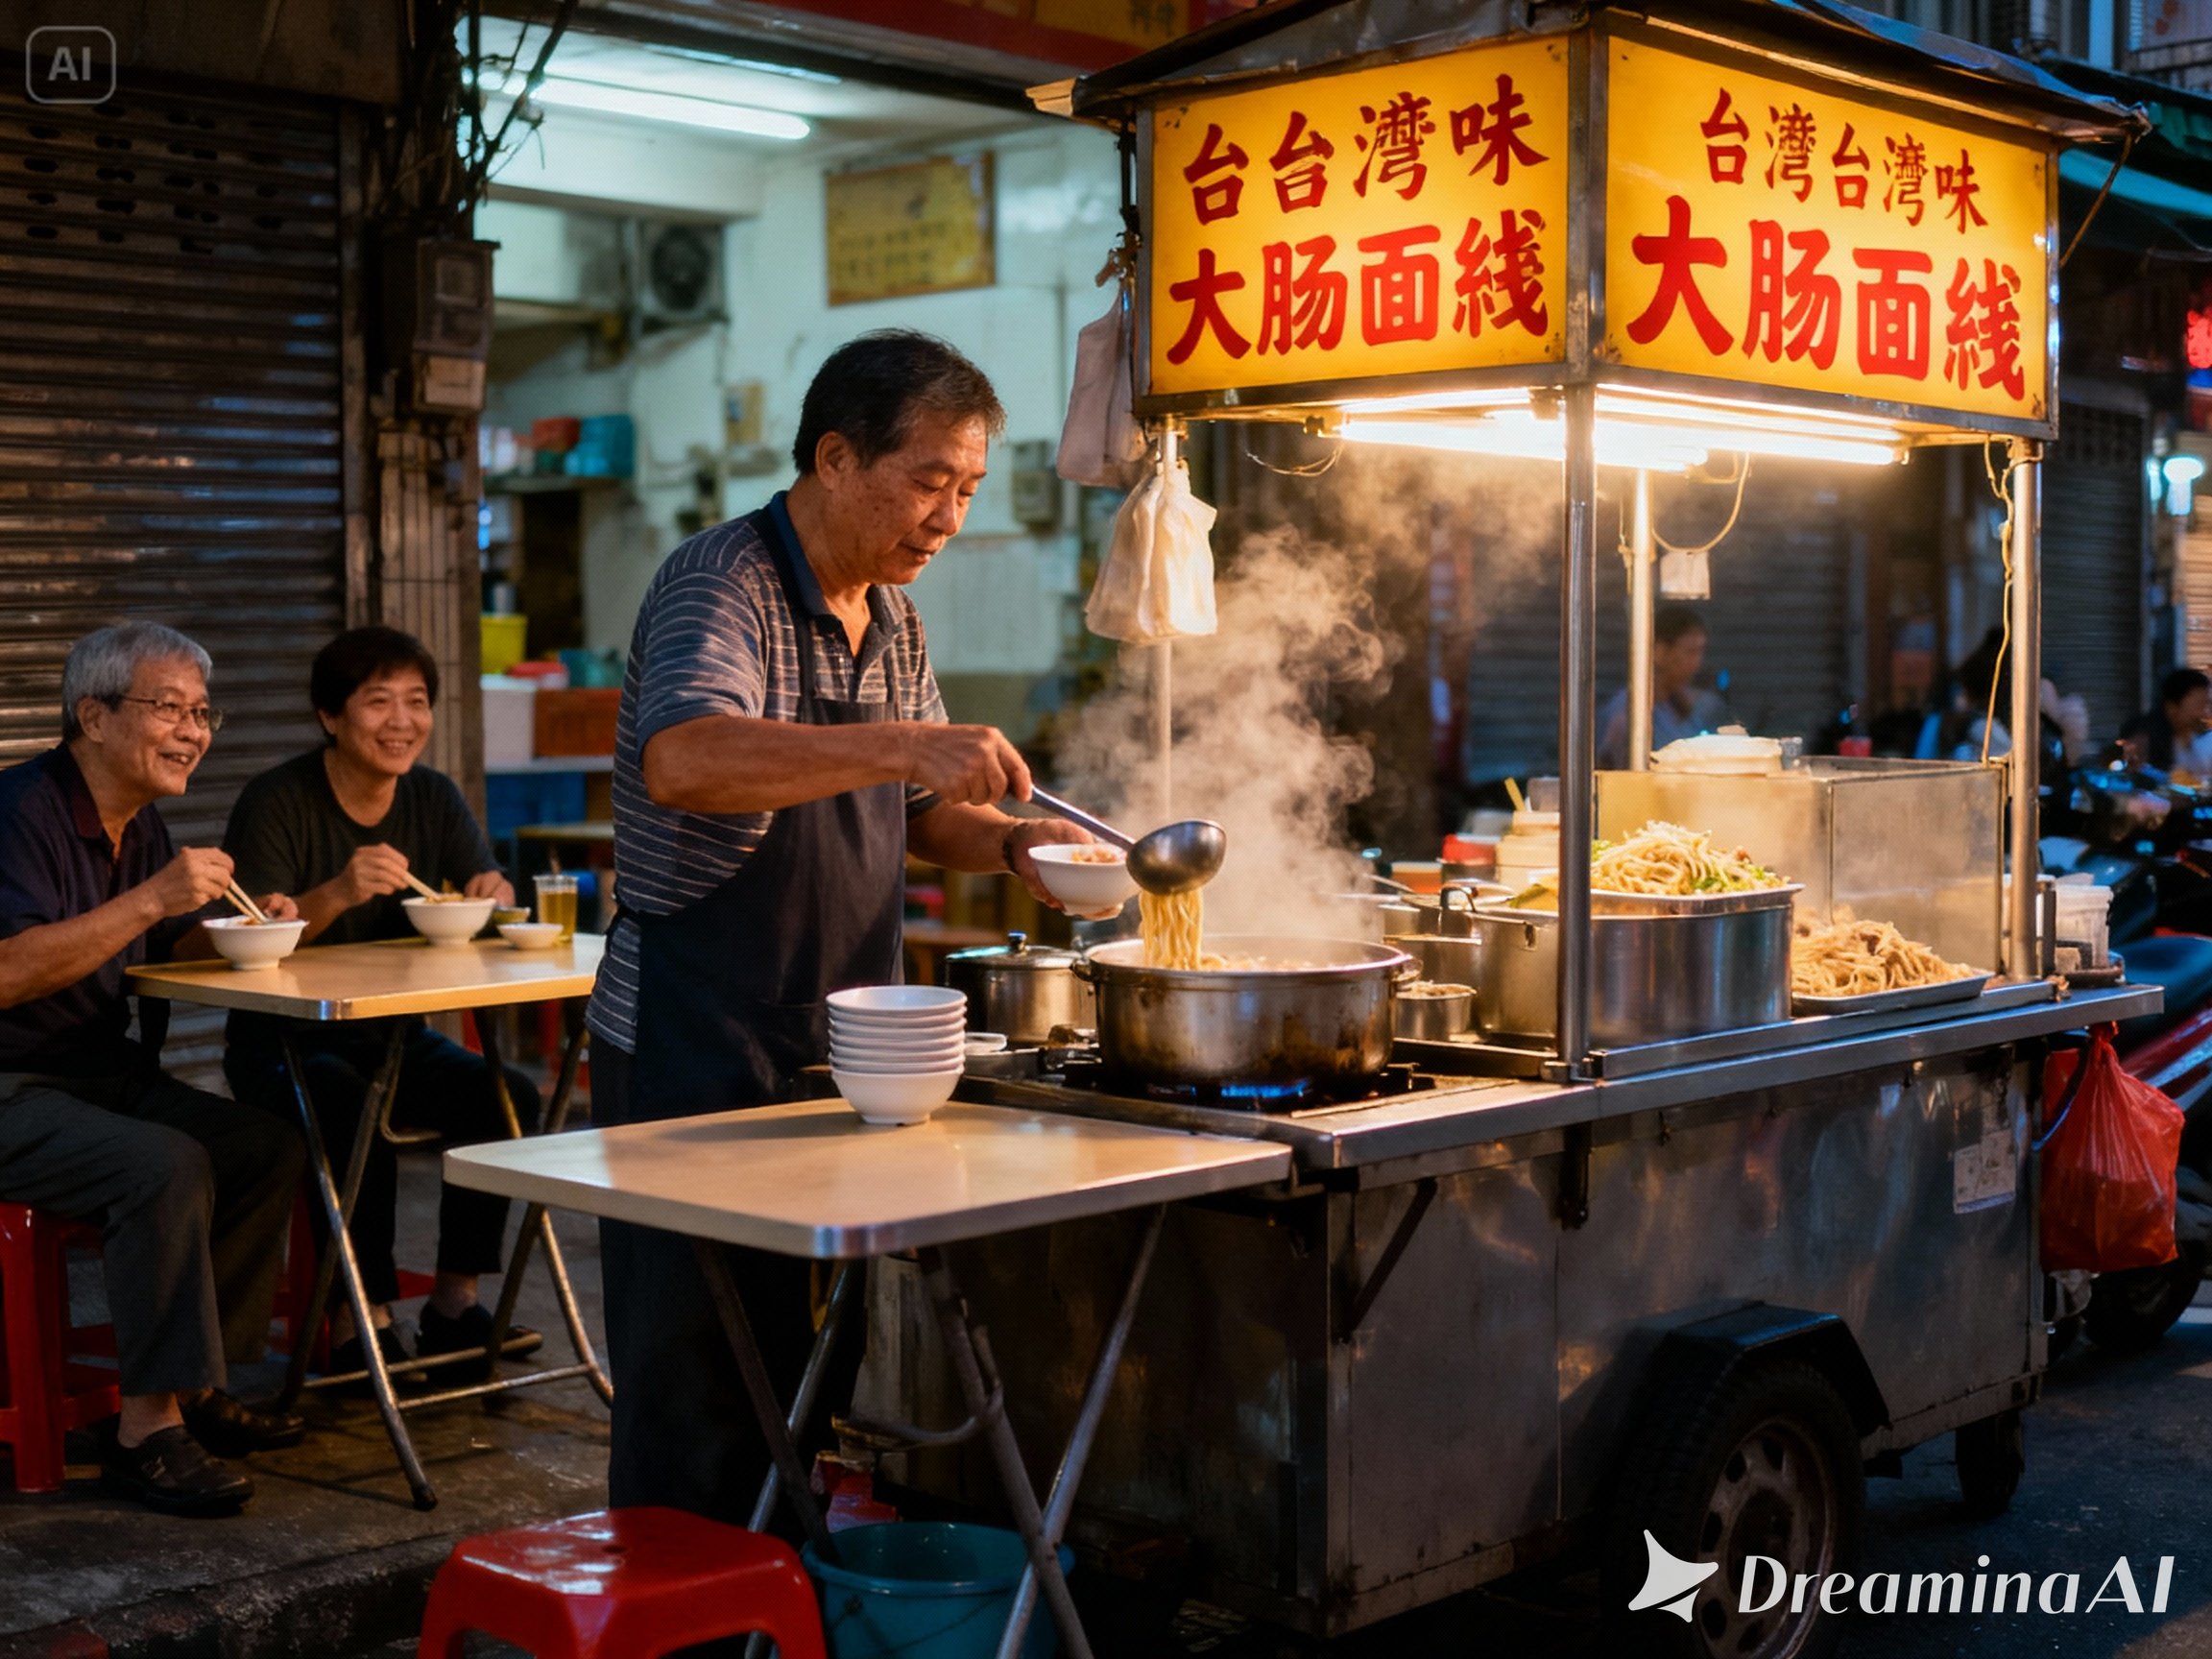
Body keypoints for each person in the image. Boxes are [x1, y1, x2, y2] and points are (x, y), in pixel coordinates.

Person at [589, 329, 1090, 1521]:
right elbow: (685, 760)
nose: (949, 518)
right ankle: (685, 1603)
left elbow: (919, 813)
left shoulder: (893, 620)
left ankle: (780, 1579)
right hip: (694, 1039)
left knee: (810, 1356)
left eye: (969, 488)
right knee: (696, 1367)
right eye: (928, 482)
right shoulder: (722, 582)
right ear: (833, 458)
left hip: (845, 1048)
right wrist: (908, 743)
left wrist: (1018, 846)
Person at [0, 622, 305, 1517]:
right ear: (93, 717)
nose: (193, 731)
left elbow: (155, 939)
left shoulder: (136, 822)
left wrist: (235, 927)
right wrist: (154, 897)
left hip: (95, 1074)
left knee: (263, 1144)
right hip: (12, 1086)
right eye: (169, 708)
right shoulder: (20, 813)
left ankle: (194, 1384)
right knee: (161, 1163)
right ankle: (145, 1433)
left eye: (202, 713)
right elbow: (10, 969)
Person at [221, 627, 542, 1385]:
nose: (402, 721)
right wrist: (336, 891)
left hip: (394, 1040)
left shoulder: (432, 795)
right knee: (347, 1107)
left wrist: (492, 891)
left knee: (507, 1096)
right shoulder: (278, 800)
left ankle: (454, 1305)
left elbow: (483, 886)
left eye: (417, 701)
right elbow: (247, 939)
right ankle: (357, 1321)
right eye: (378, 702)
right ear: (330, 716)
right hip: (282, 1047)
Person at [1597, 604, 1728, 769]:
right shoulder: (1625, 713)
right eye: (1690, 652)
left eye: (1701, 652)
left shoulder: (1701, 706)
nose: (1697, 663)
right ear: (1660, 652)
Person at [2120, 667, 2212, 781]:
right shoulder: (2144, 741)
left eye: (2208, 704)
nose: (2206, 714)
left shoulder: (2203, 739)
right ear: (2172, 707)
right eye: (2199, 705)